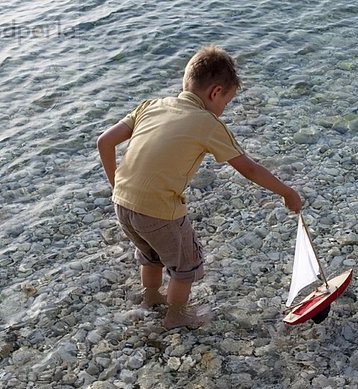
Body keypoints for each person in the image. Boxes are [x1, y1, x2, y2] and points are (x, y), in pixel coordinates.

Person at [97, 45, 302, 329]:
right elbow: (249, 168)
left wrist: (116, 185)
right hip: (160, 211)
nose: (223, 109)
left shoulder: (151, 105)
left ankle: (150, 299)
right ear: (216, 92)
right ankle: (176, 317)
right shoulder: (207, 123)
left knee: (150, 255)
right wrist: (287, 192)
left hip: (122, 204)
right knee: (185, 266)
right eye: (226, 102)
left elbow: (104, 142)